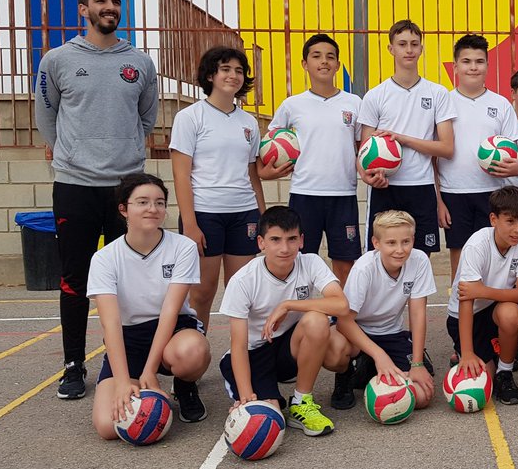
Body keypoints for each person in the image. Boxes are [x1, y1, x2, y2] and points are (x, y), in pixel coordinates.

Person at [34, 0, 158, 400]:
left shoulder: (139, 62)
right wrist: (69, 153)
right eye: (101, 1)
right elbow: (46, 115)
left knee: (129, 280)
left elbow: (146, 118)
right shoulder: (57, 60)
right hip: (75, 186)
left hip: (125, 188)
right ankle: (73, 365)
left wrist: (123, 154)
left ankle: (129, 363)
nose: (110, 7)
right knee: (75, 278)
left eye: (115, 1)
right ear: (84, 9)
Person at [88, 173, 211, 437]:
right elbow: (110, 325)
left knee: (192, 351)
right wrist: (122, 382)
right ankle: (140, 386)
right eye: (142, 202)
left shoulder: (183, 248)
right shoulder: (105, 258)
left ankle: (184, 386)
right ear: (124, 209)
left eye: (159, 202)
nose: (152, 209)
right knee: (108, 427)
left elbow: (169, 311)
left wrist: (150, 370)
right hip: (129, 337)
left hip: (173, 331)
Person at [218, 206, 351, 436]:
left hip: (287, 346)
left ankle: (301, 403)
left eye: (291, 239)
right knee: (269, 418)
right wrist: (247, 394)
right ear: (261, 243)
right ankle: (268, 398)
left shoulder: (309, 262)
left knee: (319, 324)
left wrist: (288, 305)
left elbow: (341, 305)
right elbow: (238, 344)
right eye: (275, 239)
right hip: (254, 353)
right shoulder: (243, 280)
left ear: (301, 240)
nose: (284, 248)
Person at [170, 46, 264, 328]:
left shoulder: (249, 122)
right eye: (226, 69)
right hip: (205, 215)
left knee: (243, 293)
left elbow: (252, 173)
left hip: (244, 214)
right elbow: (180, 175)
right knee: (202, 291)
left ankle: (243, 360)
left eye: (238, 70)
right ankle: (194, 357)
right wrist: (190, 224)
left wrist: (262, 215)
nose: (233, 75)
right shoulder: (190, 117)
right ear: (210, 74)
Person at [261, 33, 364, 285]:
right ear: (305, 64)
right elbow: (270, 145)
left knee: (345, 263)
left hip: (343, 194)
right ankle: (302, 317)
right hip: (305, 194)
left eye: (330, 57)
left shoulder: (354, 102)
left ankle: (343, 316)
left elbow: (362, 147)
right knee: (300, 260)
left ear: (338, 65)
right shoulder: (292, 105)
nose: (324, 62)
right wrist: (272, 170)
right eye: (316, 56)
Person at [356, 19, 456, 254]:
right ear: (391, 49)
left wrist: (402, 139)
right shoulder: (375, 96)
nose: (409, 49)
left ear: (422, 48)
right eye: (402, 44)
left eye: (414, 44)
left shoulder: (438, 93)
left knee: (421, 257)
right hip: (386, 187)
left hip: (421, 187)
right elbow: (363, 152)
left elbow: (447, 148)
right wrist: (368, 177)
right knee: (381, 258)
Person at [436, 34, 518, 274]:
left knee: (493, 255)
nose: (473, 67)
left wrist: (515, 168)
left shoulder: (502, 104)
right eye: (466, 61)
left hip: (492, 193)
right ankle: (458, 308)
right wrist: (438, 201)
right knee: (461, 255)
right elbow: (433, 159)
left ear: (487, 65)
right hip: (454, 193)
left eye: (479, 61)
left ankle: (487, 309)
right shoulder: (443, 102)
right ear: (455, 67)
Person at [330, 210, 438, 411]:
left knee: (422, 397)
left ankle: (370, 367)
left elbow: (417, 313)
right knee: (336, 350)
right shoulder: (364, 268)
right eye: (391, 243)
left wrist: (417, 364)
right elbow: (344, 322)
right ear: (376, 243)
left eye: (406, 241)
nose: (399, 250)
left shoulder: (420, 260)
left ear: (413, 239)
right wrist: (380, 355)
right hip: (357, 332)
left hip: (391, 333)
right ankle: (346, 375)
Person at [445, 186, 518, 405]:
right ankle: (465, 352)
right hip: (467, 316)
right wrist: (468, 352)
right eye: (510, 221)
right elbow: (466, 299)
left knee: (511, 313)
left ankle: (505, 372)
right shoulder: (477, 245)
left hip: (496, 308)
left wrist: (482, 291)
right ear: (494, 219)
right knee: (481, 377)